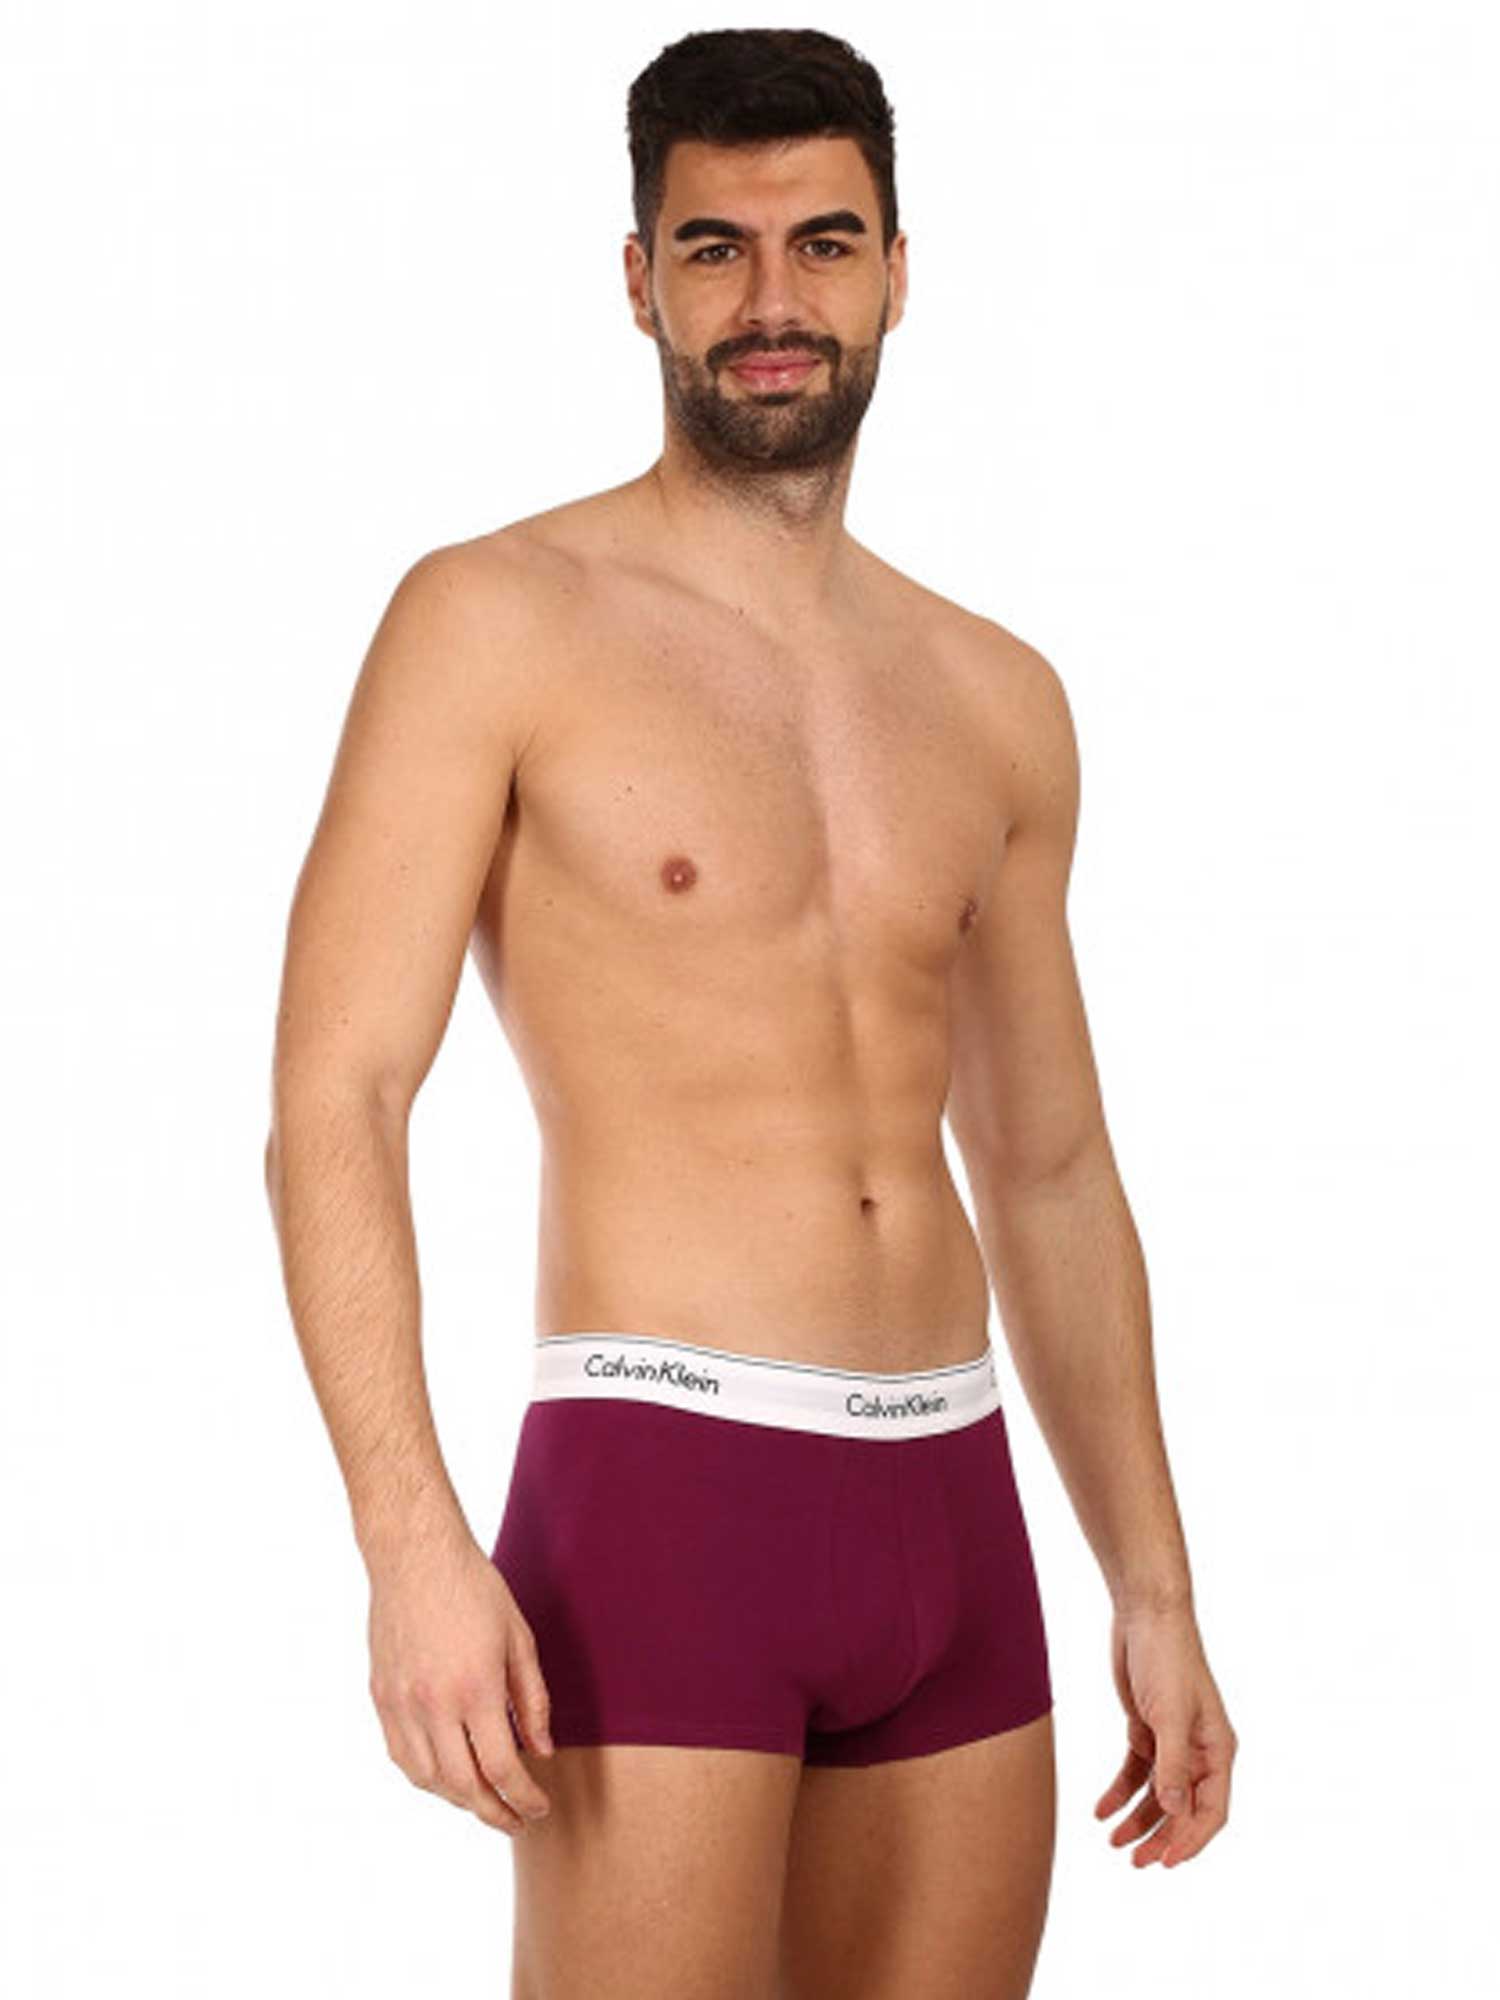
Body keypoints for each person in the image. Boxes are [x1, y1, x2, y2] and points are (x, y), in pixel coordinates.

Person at [264, 25, 1236, 1999]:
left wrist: (1152, 1576)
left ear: (897, 271)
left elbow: (1049, 1164)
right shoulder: (494, 620)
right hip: (666, 1497)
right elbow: (337, 1100)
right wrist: (409, 1544)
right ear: (639, 281)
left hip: (955, 1509)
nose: (772, 300)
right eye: (715, 247)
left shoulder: (996, 697)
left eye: (823, 243)